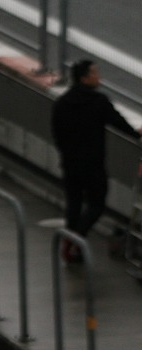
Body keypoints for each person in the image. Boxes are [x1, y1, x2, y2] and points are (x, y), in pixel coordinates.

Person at [51, 59, 142, 263]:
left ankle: (70, 244)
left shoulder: (62, 103)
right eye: (95, 73)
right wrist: (137, 135)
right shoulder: (99, 102)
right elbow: (119, 123)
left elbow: (57, 135)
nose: (99, 76)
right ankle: (77, 239)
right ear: (85, 78)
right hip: (93, 164)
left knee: (74, 204)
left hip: (70, 163)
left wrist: (66, 155)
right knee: (97, 204)